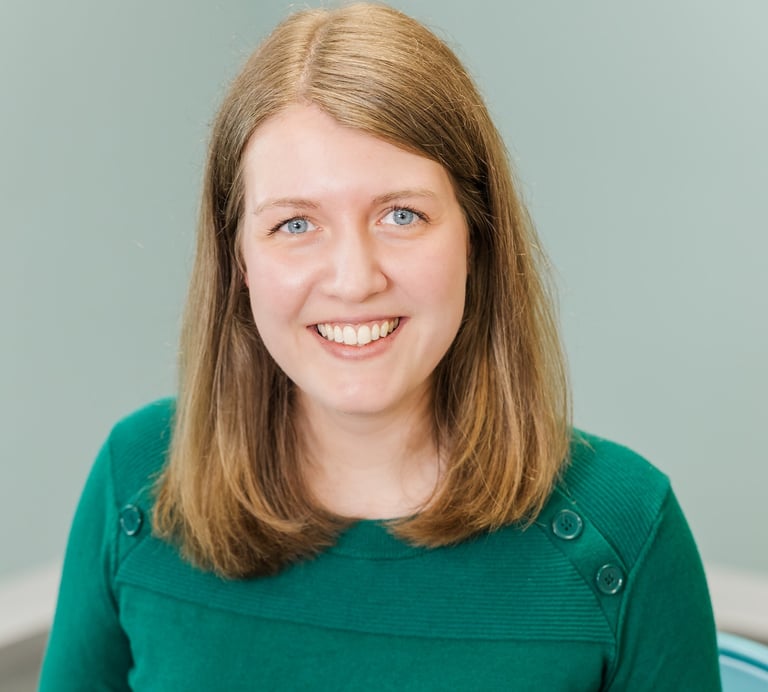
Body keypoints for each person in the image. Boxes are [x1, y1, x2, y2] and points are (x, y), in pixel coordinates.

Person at [39, 3, 721, 690]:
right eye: (296, 223)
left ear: (474, 239)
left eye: (402, 215)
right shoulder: (137, 481)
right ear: (238, 259)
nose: (355, 279)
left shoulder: (628, 527)